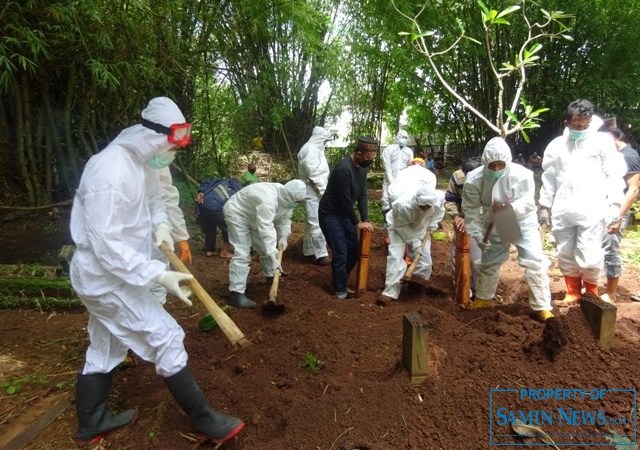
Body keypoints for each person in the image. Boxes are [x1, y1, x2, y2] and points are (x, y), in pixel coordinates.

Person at [69, 97, 244, 446]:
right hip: (104, 276)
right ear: (153, 137)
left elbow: (153, 202)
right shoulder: (110, 170)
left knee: (106, 345)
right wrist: (156, 275)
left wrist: (162, 228)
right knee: (166, 336)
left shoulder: (143, 162)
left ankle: (92, 421)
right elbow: (106, 245)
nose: (171, 157)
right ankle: (204, 420)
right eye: (171, 148)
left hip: (115, 273)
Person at [538, 99, 625, 306]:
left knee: (590, 253)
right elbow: (549, 177)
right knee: (565, 252)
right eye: (575, 124)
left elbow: (613, 176)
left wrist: (614, 208)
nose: (579, 128)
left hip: (592, 208)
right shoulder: (557, 146)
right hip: (563, 208)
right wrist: (544, 206)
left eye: (583, 124)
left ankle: (591, 292)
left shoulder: (602, 142)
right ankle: (573, 291)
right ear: (567, 121)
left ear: (590, 121)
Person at [461, 137, 554, 321]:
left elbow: (527, 202)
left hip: (520, 220)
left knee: (534, 261)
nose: (496, 169)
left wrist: (508, 208)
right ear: (485, 162)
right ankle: (483, 298)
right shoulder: (474, 179)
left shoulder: (522, 175)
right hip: (493, 221)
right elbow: (470, 208)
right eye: (492, 165)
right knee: (489, 262)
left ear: (507, 161)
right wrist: (477, 233)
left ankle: (541, 306)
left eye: (500, 165)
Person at [223, 179, 307, 308]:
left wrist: (284, 236)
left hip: (253, 217)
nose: (296, 204)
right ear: (291, 198)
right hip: (237, 214)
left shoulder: (288, 200)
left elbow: (285, 219)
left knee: (264, 248)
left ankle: (271, 275)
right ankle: (236, 293)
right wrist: (274, 256)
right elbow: (266, 227)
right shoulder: (268, 198)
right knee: (243, 253)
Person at [318, 136, 379, 299]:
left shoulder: (363, 169)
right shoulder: (343, 170)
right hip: (330, 214)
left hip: (344, 214)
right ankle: (340, 291)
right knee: (341, 252)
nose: (370, 161)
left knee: (354, 251)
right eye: (368, 158)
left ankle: (339, 280)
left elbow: (363, 195)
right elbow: (345, 201)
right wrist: (357, 222)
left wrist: (365, 218)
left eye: (373, 158)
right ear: (358, 154)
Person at [378, 183, 445, 304]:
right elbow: (401, 226)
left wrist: (433, 224)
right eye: (422, 206)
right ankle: (390, 292)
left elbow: (439, 213)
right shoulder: (402, 205)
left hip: (421, 228)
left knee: (425, 261)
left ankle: (415, 290)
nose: (425, 208)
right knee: (396, 257)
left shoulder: (439, 199)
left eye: (428, 206)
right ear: (417, 201)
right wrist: (415, 243)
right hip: (398, 227)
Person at [598, 127, 640, 303]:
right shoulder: (610, 154)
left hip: (616, 210)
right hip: (603, 207)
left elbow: (633, 188)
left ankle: (611, 293)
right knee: (599, 249)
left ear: (613, 137)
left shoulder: (628, 156)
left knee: (610, 249)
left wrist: (618, 216)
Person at [444, 157, 482, 298]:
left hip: (480, 221)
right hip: (461, 220)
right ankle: (460, 287)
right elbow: (450, 199)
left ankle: (478, 289)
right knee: (458, 252)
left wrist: (472, 220)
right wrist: (455, 216)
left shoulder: (488, 181)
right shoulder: (457, 177)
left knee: (478, 256)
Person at [297, 126, 332, 265]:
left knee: (311, 222)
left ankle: (309, 251)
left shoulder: (313, 149)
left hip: (316, 189)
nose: (325, 144)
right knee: (317, 222)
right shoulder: (310, 150)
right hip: (313, 190)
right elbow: (314, 174)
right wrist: (323, 191)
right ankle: (321, 254)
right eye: (325, 141)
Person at [195, 178, 243, 258]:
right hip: (217, 207)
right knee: (229, 225)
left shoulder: (221, 181)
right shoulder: (238, 192)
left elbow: (207, 182)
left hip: (202, 203)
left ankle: (209, 250)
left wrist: (201, 192)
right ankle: (225, 251)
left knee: (209, 225)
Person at [381, 130, 413, 217]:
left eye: (406, 138)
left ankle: (398, 222)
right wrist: (392, 182)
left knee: (401, 200)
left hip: (403, 181)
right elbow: (387, 166)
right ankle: (387, 223)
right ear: (398, 137)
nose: (404, 139)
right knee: (386, 200)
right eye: (403, 137)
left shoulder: (409, 151)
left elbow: (410, 166)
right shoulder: (389, 149)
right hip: (389, 181)